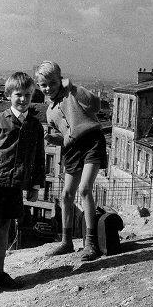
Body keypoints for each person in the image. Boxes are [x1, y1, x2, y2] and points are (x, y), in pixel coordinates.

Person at [0, 72, 45, 297]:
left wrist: (35, 185)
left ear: (33, 96)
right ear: (8, 95)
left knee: (5, 228)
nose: (22, 99)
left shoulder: (35, 126)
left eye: (27, 95)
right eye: (18, 95)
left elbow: (39, 158)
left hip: (15, 184)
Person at [36, 61, 107, 261]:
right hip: (72, 149)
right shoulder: (50, 112)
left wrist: (73, 87)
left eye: (52, 82)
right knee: (67, 195)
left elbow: (96, 104)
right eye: (44, 85)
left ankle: (90, 244)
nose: (48, 88)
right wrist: (52, 139)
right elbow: (66, 135)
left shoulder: (73, 94)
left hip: (92, 141)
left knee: (84, 189)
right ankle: (66, 242)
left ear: (60, 79)